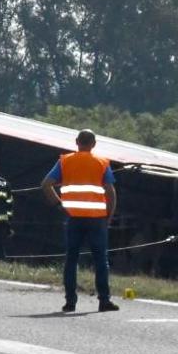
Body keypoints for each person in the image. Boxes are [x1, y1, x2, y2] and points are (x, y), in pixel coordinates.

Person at [41, 129, 119, 313]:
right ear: (94, 144)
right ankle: (104, 300)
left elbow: (45, 184)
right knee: (100, 260)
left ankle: (70, 302)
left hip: (74, 217)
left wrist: (58, 205)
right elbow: (110, 191)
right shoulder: (101, 162)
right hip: (97, 219)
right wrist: (109, 215)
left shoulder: (65, 161)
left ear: (77, 142)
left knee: (71, 259)